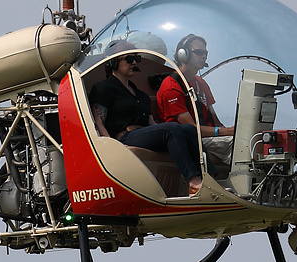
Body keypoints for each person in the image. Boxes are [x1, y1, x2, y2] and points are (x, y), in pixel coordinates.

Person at [87, 47, 203, 196]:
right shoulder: (104, 88)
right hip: (123, 138)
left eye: (137, 59)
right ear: (114, 62)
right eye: (129, 59)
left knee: (188, 129)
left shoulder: (141, 95)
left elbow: (152, 124)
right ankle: (194, 183)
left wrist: (169, 131)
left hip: (143, 135)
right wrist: (109, 149)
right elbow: (99, 122)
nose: (134, 62)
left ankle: (209, 177)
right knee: (172, 129)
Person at [158, 34, 234, 177]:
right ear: (183, 54)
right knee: (240, 146)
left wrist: (232, 130)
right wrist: (226, 132)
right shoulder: (171, 86)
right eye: (199, 52)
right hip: (191, 139)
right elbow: (191, 129)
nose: (204, 56)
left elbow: (215, 121)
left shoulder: (201, 83)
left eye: (206, 53)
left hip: (210, 136)